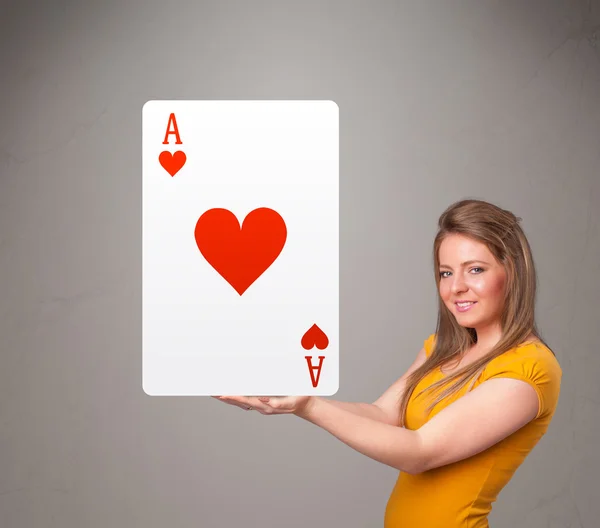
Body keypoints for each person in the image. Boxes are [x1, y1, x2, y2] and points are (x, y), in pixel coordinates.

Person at [213, 198, 562, 528]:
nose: (456, 287)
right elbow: (382, 415)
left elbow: (419, 452)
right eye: (445, 273)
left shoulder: (530, 369)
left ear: (513, 271)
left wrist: (308, 406)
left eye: (475, 269)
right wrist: (292, 396)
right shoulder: (442, 348)